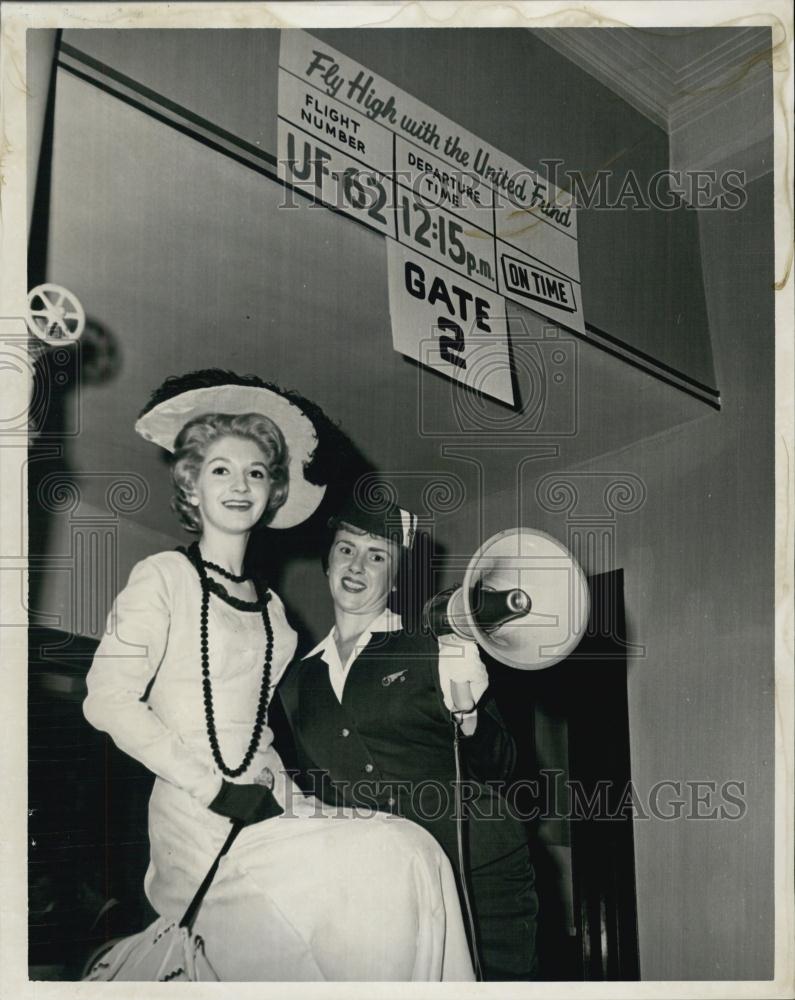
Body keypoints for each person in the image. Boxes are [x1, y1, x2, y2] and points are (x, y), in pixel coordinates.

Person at [82, 370, 474, 982]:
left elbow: (253, 742)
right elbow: (106, 702)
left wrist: (301, 807)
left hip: (266, 806)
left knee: (411, 849)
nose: (239, 485)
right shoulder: (163, 578)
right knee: (361, 883)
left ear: (272, 493)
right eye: (220, 470)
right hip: (196, 822)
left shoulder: (275, 618)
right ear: (191, 484)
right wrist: (214, 791)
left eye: (256, 473)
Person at [276, 496, 540, 980]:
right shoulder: (297, 682)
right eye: (345, 550)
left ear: (396, 577)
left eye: (377, 556)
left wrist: (469, 712)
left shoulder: (432, 646)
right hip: (380, 885)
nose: (357, 565)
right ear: (327, 562)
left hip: (478, 878)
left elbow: (502, 765)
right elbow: (316, 793)